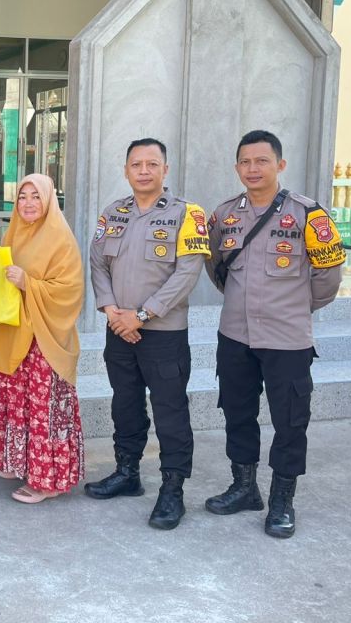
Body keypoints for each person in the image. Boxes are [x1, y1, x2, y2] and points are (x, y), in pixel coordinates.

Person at [204, 129, 344, 539]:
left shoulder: (308, 214)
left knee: (290, 421)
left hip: (288, 339)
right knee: (237, 411)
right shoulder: (224, 215)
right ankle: (244, 487)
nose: (253, 169)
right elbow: (216, 266)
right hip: (235, 334)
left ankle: (282, 500)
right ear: (237, 167)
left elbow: (328, 276)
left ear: (280, 164)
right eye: (245, 162)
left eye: (262, 161)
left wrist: (295, 307)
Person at [86, 137, 211, 530]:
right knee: (125, 404)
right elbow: (97, 263)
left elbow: (187, 274)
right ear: (126, 170)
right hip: (118, 330)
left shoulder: (187, 214)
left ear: (165, 169)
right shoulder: (113, 213)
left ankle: (173, 489)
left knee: (170, 412)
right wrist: (111, 310)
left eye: (152, 164)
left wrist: (141, 315)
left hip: (162, 334)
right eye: (136, 164)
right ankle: (127, 472)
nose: (144, 171)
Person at [0, 174, 85, 503]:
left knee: (42, 408)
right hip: (14, 335)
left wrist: (28, 282)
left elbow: (69, 291)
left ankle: (47, 481)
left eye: (36, 196)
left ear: (49, 200)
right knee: (17, 402)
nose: (28, 203)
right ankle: (19, 462)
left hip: (43, 340)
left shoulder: (60, 239)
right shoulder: (12, 234)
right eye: (22, 197)